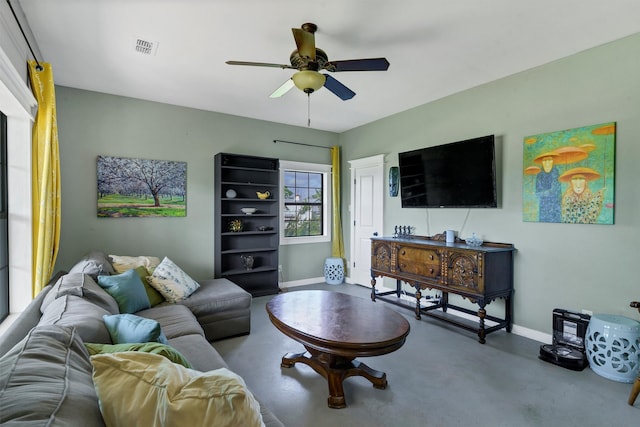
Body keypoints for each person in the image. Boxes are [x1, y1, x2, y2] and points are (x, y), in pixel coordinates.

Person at [534, 152, 561, 222]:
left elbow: (555, 191)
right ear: (542, 162)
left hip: (555, 205)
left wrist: (543, 193)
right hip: (543, 206)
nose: (547, 163)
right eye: (545, 161)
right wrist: (544, 193)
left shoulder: (556, 172)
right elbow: (537, 192)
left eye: (549, 160)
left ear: (552, 162)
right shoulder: (539, 175)